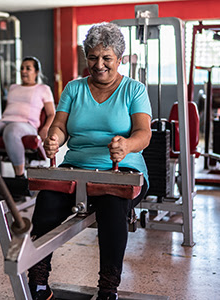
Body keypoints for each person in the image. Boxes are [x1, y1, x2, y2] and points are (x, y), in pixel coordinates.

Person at [27, 23, 152, 300]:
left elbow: (144, 134)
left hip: (122, 170)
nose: (99, 64)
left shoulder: (134, 90)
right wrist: (54, 138)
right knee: (46, 204)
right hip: (76, 168)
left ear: (120, 59)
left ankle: (108, 289)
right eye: (93, 57)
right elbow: (59, 126)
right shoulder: (74, 88)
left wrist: (127, 145)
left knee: (111, 209)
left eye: (107, 58)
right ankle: (38, 282)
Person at [0, 56, 55, 178]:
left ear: (36, 72)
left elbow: (52, 113)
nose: (23, 71)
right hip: (6, 121)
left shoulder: (43, 89)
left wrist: (46, 128)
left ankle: (19, 176)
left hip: (27, 124)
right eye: (22, 68)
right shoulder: (13, 87)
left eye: (28, 68)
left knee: (11, 131)